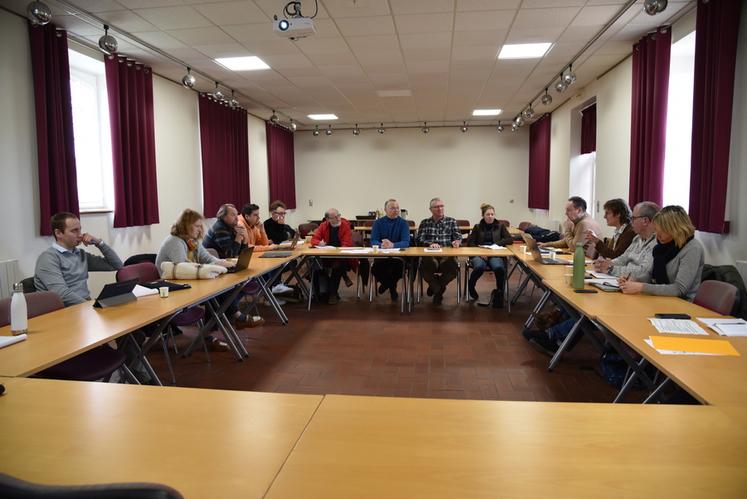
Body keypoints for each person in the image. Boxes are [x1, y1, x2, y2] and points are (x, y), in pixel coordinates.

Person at [524, 201, 661, 355]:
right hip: (621, 282)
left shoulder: (656, 243)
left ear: (646, 221)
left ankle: (553, 337)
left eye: (634, 217)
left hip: (635, 291)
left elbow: (643, 272)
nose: (631, 220)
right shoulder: (637, 239)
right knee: (581, 300)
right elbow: (622, 258)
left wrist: (610, 267)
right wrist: (607, 263)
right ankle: (555, 335)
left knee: (589, 307)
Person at [155, 209, 257, 347]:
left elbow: (208, 258)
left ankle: (212, 332)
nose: (200, 229)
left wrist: (226, 264)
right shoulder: (175, 241)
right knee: (219, 292)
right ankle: (232, 320)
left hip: (189, 282)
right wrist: (211, 268)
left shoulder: (192, 241)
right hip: (174, 288)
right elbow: (182, 268)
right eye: (197, 226)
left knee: (222, 290)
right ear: (186, 225)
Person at [34, 212, 123, 306]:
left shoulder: (80, 254)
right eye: (74, 231)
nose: (80, 235)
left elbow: (116, 265)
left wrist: (99, 243)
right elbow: (61, 294)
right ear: (58, 233)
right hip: (62, 309)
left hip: (83, 305)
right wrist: (91, 306)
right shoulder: (48, 258)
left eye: (80, 230)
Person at [618, 205, 704, 301]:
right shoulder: (662, 247)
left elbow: (679, 289)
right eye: (656, 230)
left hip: (682, 304)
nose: (657, 235)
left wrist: (641, 287)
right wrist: (634, 280)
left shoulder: (693, 248)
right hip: (660, 298)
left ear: (674, 229)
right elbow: (650, 275)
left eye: (661, 231)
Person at [416, 197, 462, 305]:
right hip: (430, 254)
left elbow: (458, 236)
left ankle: (435, 287)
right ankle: (439, 290)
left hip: (447, 254)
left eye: (441, 206)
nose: (440, 209)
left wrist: (457, 242)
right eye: (436, 207)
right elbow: (419, 239)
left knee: (453, 268)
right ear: (430, 209)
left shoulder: (451, 221)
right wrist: (430, 244)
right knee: (425, 268)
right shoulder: (425, 222)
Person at [465, 203, 513, 305]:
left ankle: (499, 293)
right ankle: (471, 286)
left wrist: (496, 244)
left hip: (495, 253)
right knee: (479, 267)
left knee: (499, 268)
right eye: (488, 214)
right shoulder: (477, 227)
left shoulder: (500, 226)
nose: (490, 216)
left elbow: (509, 239)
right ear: (483, 216)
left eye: (492, 214)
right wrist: (480, 252)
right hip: (480, 254)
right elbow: (471, 243)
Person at [310, 208, 357, 304]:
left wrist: (337, 252)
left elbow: (346, 244)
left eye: (338, 215)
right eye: (335, 217)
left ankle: (332, 293)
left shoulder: (345, 225)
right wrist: (319, 243)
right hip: (327, 255)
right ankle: (323, 293)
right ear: (328, 219)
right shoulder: (323, 225)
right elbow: (314, 240)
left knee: (338, 265)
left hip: (343, 256)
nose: (338, 218)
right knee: (316, 265)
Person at [370, 199, 410, 301]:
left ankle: (387, 285)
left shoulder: (403, 223)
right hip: (381, 256)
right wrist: (382, 245)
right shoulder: (378, 223)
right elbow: (373, 241)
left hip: (398, 257)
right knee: (375, 269)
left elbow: (406, 242)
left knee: (398, 269)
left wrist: (393, 245)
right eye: (392, 208)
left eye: (397, 208)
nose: (396, 210)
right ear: (385, 210)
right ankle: (391, 286)